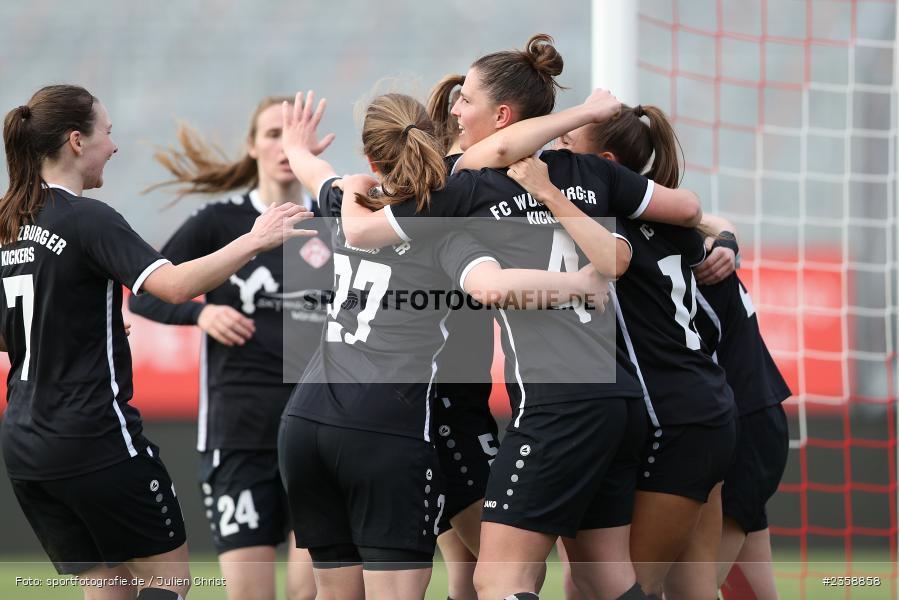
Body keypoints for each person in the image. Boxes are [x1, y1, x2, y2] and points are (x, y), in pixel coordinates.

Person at [340, 34, 707, 600]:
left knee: (499, 578)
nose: (455, 111)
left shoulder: (470, 185)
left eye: (466, 100)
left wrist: (343, 188)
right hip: (618, 399)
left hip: (556, 403)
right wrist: (720, 233)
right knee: (603, 576)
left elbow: (362, 231)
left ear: (503, 115)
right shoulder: (592, 172)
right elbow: (687, 209)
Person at [278, 90, 607, 600]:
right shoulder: (442, 225)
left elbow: (313, 172)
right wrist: (579, 285)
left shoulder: (350, 199)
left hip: (304, 419)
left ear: (371, 157)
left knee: (338, 592)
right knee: (508, 574)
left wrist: (297, 146)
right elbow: (492, 287)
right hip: (385, 424)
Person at [0, 85, 314, 600]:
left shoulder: (9, 223)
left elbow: (11, 330)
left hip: (24, 445)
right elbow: (171, 286)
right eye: (107, 132)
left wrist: (79, 325)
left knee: (110, 587)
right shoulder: (88, 218)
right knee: (170, 580)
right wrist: (255, 240)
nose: (114, 145)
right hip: (94, 436)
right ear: (77, 142)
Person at [510, 101, 738, 599]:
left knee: (623, 584)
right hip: (702, 408)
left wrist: (546, 191)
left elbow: (614, 257)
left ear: (605, 167)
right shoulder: (668, 220)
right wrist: (727, 238)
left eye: (568, 147)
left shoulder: (606, 229)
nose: (555, 153)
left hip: (675, 418)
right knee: (687, 587)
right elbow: (699, 214)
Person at [129, 96, 329, 600]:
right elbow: (145, 294)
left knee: (312, 593)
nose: (284, 146)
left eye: (294, 135)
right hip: (238, 433)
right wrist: (201, 312)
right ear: (251, 145)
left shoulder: (337, 223)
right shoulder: (219, 222)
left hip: (317, 435)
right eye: (271, 134)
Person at [691, 224, 791, 600]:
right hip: (753, 419)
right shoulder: (701, 239)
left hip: (741, 429)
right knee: (752, 592)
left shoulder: (681, 255)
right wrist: (728, 240)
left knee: (689, 588)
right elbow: (711, 219)